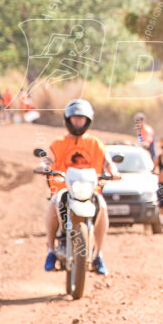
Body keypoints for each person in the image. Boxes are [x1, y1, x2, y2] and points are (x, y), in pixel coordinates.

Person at [41, 99, 118, 275]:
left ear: (88, 121)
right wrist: (44, 166)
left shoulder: (95, 144)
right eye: (75, 118)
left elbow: (108, 162)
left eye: (81, 119)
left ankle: (98, 255)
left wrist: (113, 171)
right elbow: (48, 159)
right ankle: (51, 251)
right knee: (54, 203)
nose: (78, 122)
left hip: (90, 192)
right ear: (68, 120)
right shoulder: (58, 143)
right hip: (64, 190)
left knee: (103, 207)